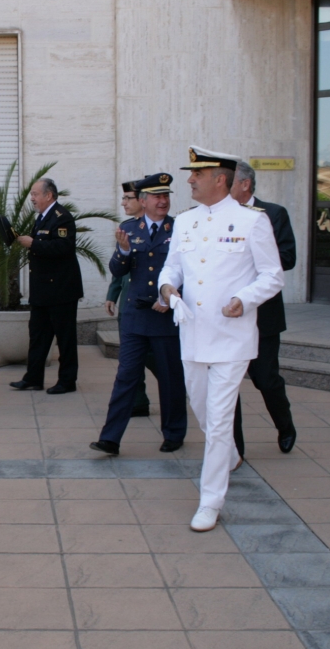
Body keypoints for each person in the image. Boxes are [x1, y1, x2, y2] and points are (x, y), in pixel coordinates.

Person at [158, 146, 283, 533]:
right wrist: (167, 289)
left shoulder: (252, 221)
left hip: (232, 338)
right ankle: (227, 454)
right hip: (193, 334)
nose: (190, 180)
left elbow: (273, 275)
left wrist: (245, 299)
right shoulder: (185, 221)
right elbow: (172, 267)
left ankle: (210, 501)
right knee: (202, 409)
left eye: (198, 174)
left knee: (218, 420)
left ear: (221, 179)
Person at [91, 173, 188, 455]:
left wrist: (171, 298)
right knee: (126, 377)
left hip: (165, 316)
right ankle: (110, 438)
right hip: (135, 316)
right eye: (157, 197)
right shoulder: (129, 228)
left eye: (166, 196)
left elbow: (189, 270)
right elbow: (117, 270)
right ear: (143, 201)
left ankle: (174, 433)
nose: (163, 201)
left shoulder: (179, 228)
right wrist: (123, 251)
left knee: (170, 379)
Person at [230, 162, 298, 456]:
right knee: (227, 383)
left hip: (262, 314)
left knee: (266, 379)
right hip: (226, 314)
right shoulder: (215, 217)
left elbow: (288, 257)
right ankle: (235, 448)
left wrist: (249, 259)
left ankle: (285, 426)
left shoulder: (273, 213)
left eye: (228, 181)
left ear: (245, 184)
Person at [10, 178, 83, 394]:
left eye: (35, 194)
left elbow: (63, 247)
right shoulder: (42, 217)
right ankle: (33, 378)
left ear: (48, 195)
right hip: (42, 289)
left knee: (65, 338)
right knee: (38, 336)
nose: (32, 198)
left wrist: (33, 243)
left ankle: (67, 381)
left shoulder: (62, 217)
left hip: (61, 290)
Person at [105, 180, 154, 417]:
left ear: (143, 200)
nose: (123, 203)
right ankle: (137, 401)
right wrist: (112, 294)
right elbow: (120, 264)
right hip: (128, 301)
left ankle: (179, 387)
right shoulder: (126, 227)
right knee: (130, 357)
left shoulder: (167, 228)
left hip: (154, 304)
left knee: (156, 357)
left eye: (128, 198)